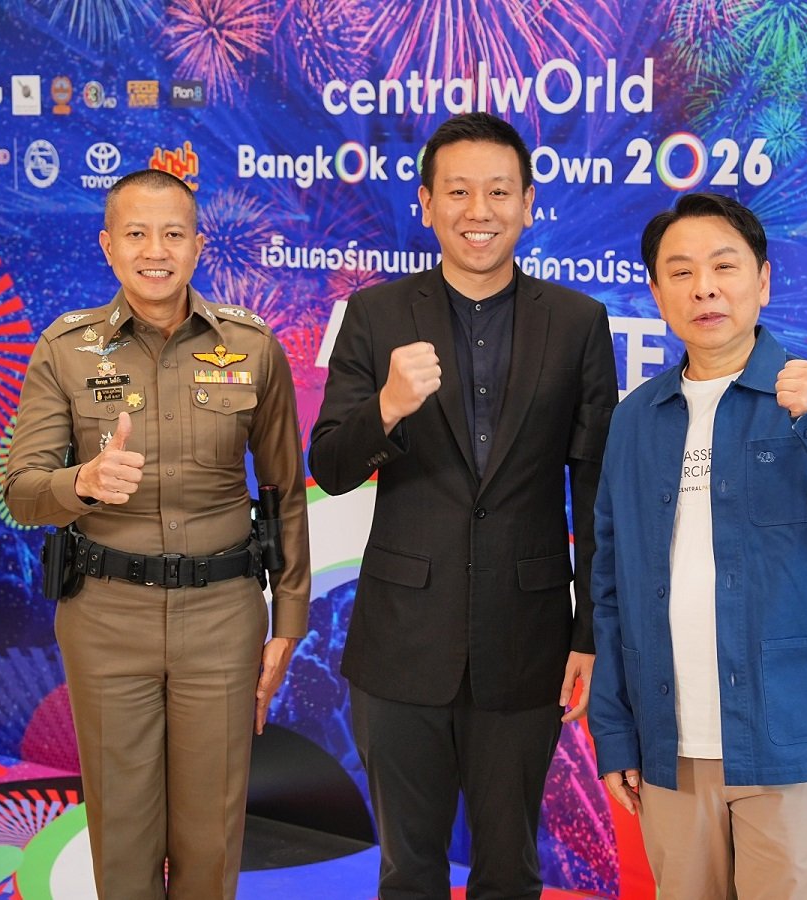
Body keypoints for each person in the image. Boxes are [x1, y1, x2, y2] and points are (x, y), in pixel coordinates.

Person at [307, 112, 618, 899]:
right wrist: (386, 406)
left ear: (528, 203)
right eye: (458, 192)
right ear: (426, 204)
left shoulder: (578, 322)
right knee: (408, 870)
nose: (479, 211)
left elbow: (596, 489)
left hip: (528, 641)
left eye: (499, 192)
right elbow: (331, 467)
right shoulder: (375, 315)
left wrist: (589, 633)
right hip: (400, 641)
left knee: (510, 870)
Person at [588, 192, 807, 899]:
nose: (703, 288)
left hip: (787, 745)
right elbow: (610, 585)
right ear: (657, 294)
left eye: (724, 266)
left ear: (762, 281)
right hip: (670, 750)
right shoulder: (636, 419)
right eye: (680, 272)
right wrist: (613, 733)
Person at [4, 168, 311, 899]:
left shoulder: (252, 345)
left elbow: (284, 492)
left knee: (211, 841)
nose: (155, 251)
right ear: (107, 245)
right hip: (107, 618)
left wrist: (289, 619)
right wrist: (82, 482)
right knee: (124, 839)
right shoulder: (65, 348)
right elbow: (21, 491)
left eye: (173, 234)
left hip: (222, 618)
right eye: (136, 234)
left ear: (199, 245)